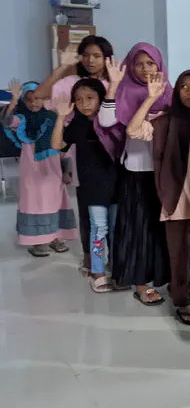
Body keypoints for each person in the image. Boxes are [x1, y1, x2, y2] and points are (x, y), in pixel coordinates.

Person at [126, 70, 190, 325]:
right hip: (178, 200)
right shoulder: (166, 121)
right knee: (179, 256)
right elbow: (134, 130)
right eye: (183, 87)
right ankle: (183, 300)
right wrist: (150, 99)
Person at [97, 44, 173, 304]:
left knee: (162, 230)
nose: (145, 69)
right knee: (139, 231)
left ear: (159, 65)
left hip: (164, 174)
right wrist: (113, 87)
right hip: (137, 172)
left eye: (150, 63)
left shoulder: (169, 90)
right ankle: (141, 284)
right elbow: (107, 122)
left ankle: (164, 278)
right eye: (139, 63)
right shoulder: (125, 90)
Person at [38, 36, 114, 273]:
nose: (91, 60)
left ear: (107, 58)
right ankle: (93, 260)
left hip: (112, 162)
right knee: (91, 215)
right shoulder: (73, 82)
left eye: (97, 55)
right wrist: (63, 67)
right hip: (82, 153)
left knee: (114, 218)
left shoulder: (116, 82)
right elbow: (41, 94)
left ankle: (117, 262)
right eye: (86, 55)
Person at [50, 78, 120, 293]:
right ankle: (97, 272)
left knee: (117, 231)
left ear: (101, 97)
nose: (84, 103)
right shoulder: (78, 125)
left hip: (118, 186)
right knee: (98, 230)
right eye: (78, 99)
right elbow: (57, 145)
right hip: (92, 188)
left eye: (90, 98)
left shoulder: (111, 120)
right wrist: (61, 117)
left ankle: (117, 270)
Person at [3, 79, 78, 256]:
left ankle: (54, 236)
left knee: (54, 199)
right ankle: (35, 240)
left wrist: (67, 170)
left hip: (53, 167)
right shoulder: (21, 119)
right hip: (31, 169)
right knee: (33, 201)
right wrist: (13, 100)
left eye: (37, 98)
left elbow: (65, 148)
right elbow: (6, 120)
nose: (33, 103)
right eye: (28, 99)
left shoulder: (53, 117)